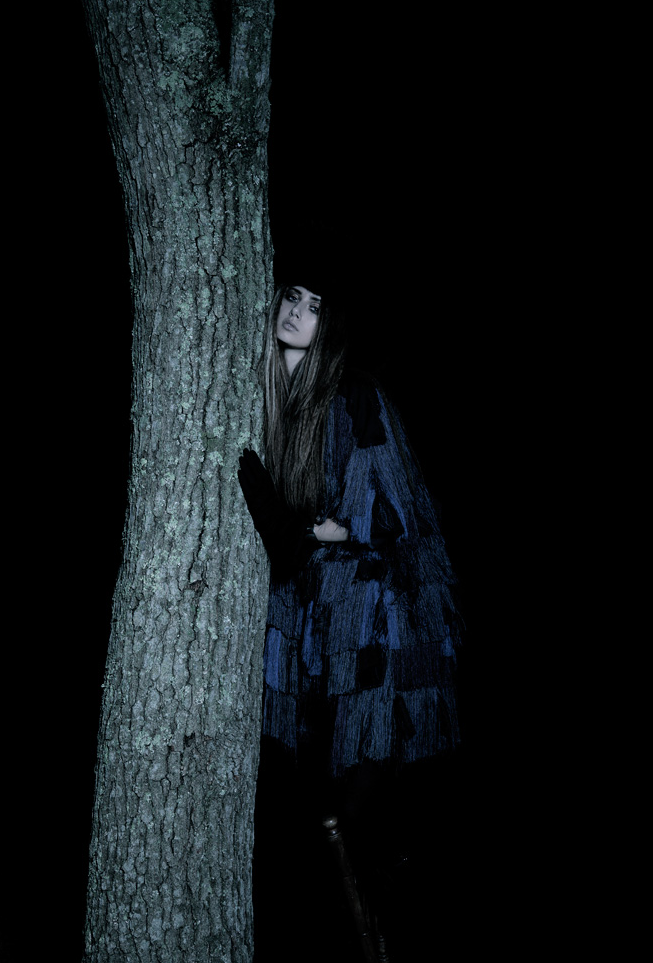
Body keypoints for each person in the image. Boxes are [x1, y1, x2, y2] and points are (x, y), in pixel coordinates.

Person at [239, 272, 463, 957]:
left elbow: (379, 514)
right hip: (314, 607)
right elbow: (294, 525)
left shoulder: (351, 393)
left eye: (314, 307)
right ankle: (359, 909)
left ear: (330, 326)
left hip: (369, 608)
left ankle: (382, 910)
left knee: (355, 782)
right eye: (292, 297)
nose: (296, 313)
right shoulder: (259, 392)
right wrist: (302, 531)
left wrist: (306, 531)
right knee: (319, 792)